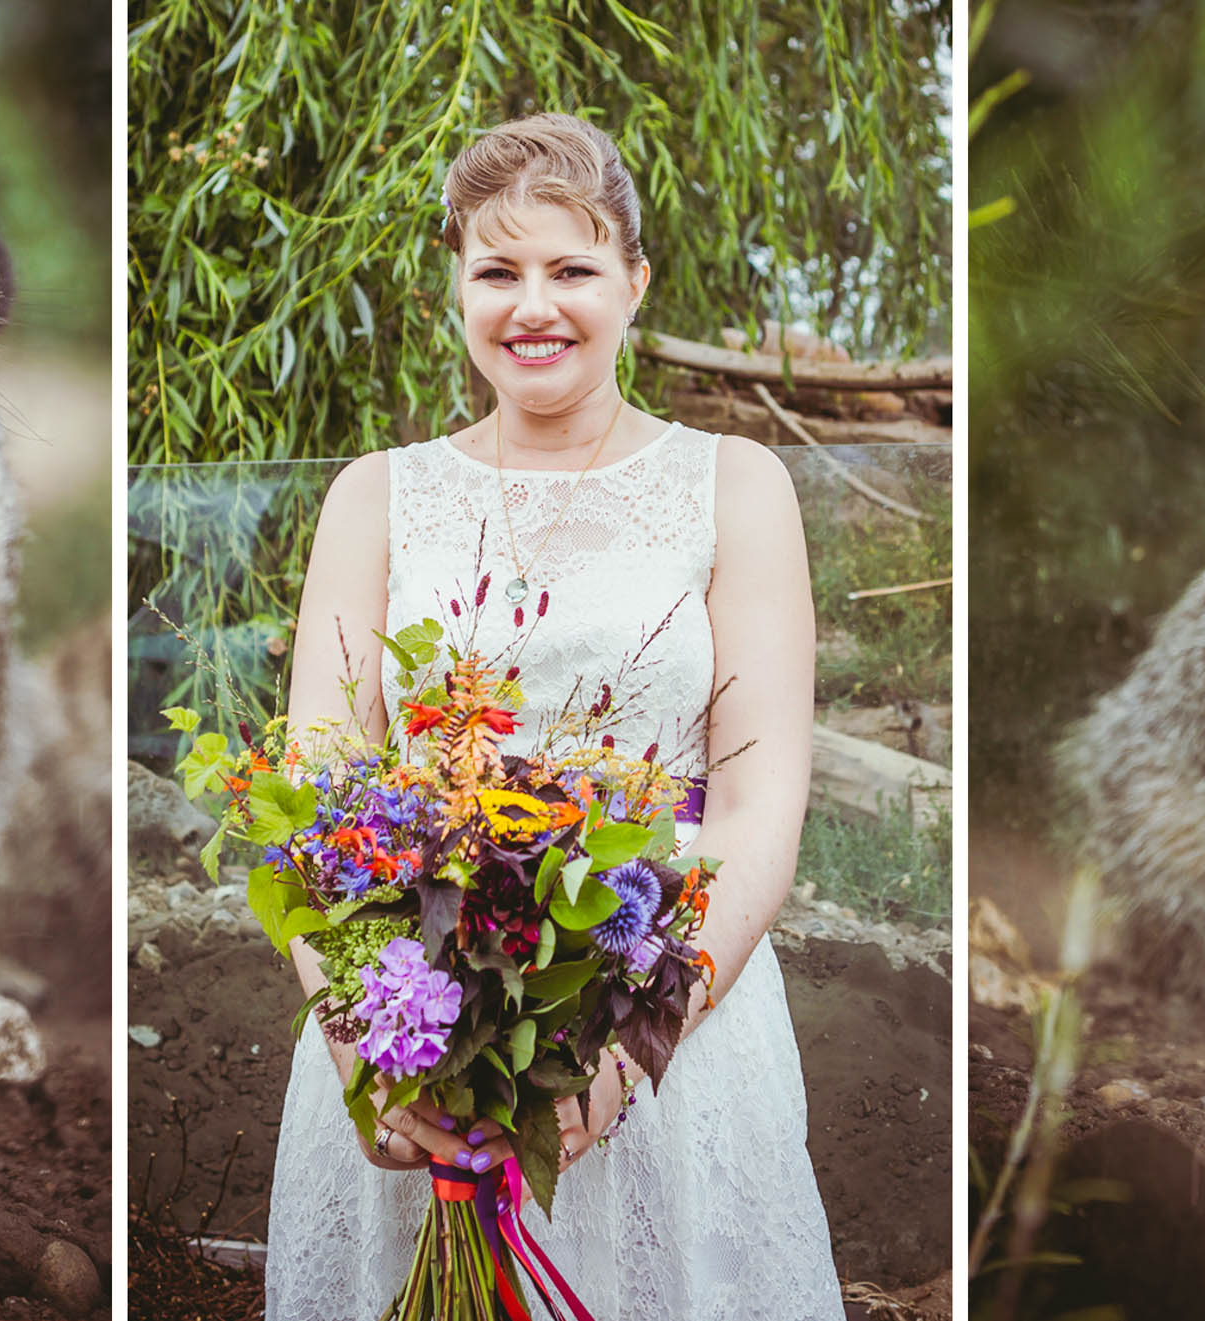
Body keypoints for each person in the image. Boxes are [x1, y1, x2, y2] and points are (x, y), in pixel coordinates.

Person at [262, 112, 842, 1319]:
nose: (535, 306)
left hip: (667, 996)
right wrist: (360, 1041)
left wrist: (630, 1055)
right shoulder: (375, 497)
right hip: (417, 998)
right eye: (498, 271)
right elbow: (311, 802)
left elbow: (757, 797)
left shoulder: (737, 486)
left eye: (572, 269)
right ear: (456, 290)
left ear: (633, 282)